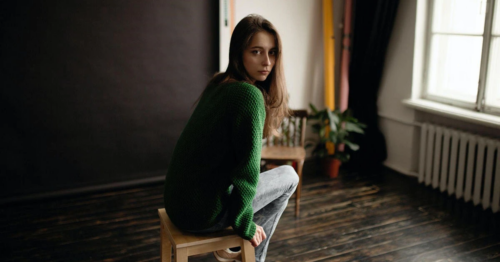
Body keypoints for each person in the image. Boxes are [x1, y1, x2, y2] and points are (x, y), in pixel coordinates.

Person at [163, 14, 299, 262]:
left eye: (273, 52)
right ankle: (252, 258)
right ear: (239, 53)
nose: (267, 62)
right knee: (290, 176)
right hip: (200, 213)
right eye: (256, 51)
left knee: (273, 179)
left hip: (178, 204)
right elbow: (247, 174)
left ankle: (241, 250)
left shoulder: (219, 83)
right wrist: (245, 223)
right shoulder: (248, 95)